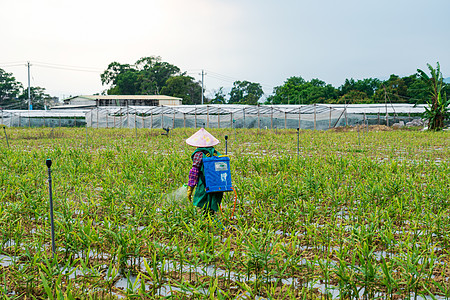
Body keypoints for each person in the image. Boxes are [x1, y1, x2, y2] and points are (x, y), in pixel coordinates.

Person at [186, 128, 223, 215]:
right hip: (216, 185)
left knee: (201, 207)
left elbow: (194, 171)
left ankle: (204, 225)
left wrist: (190, 188)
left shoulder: (199, 154)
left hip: (204, 184)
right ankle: (211, 222)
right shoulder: (215, 153)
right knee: (211, 206)